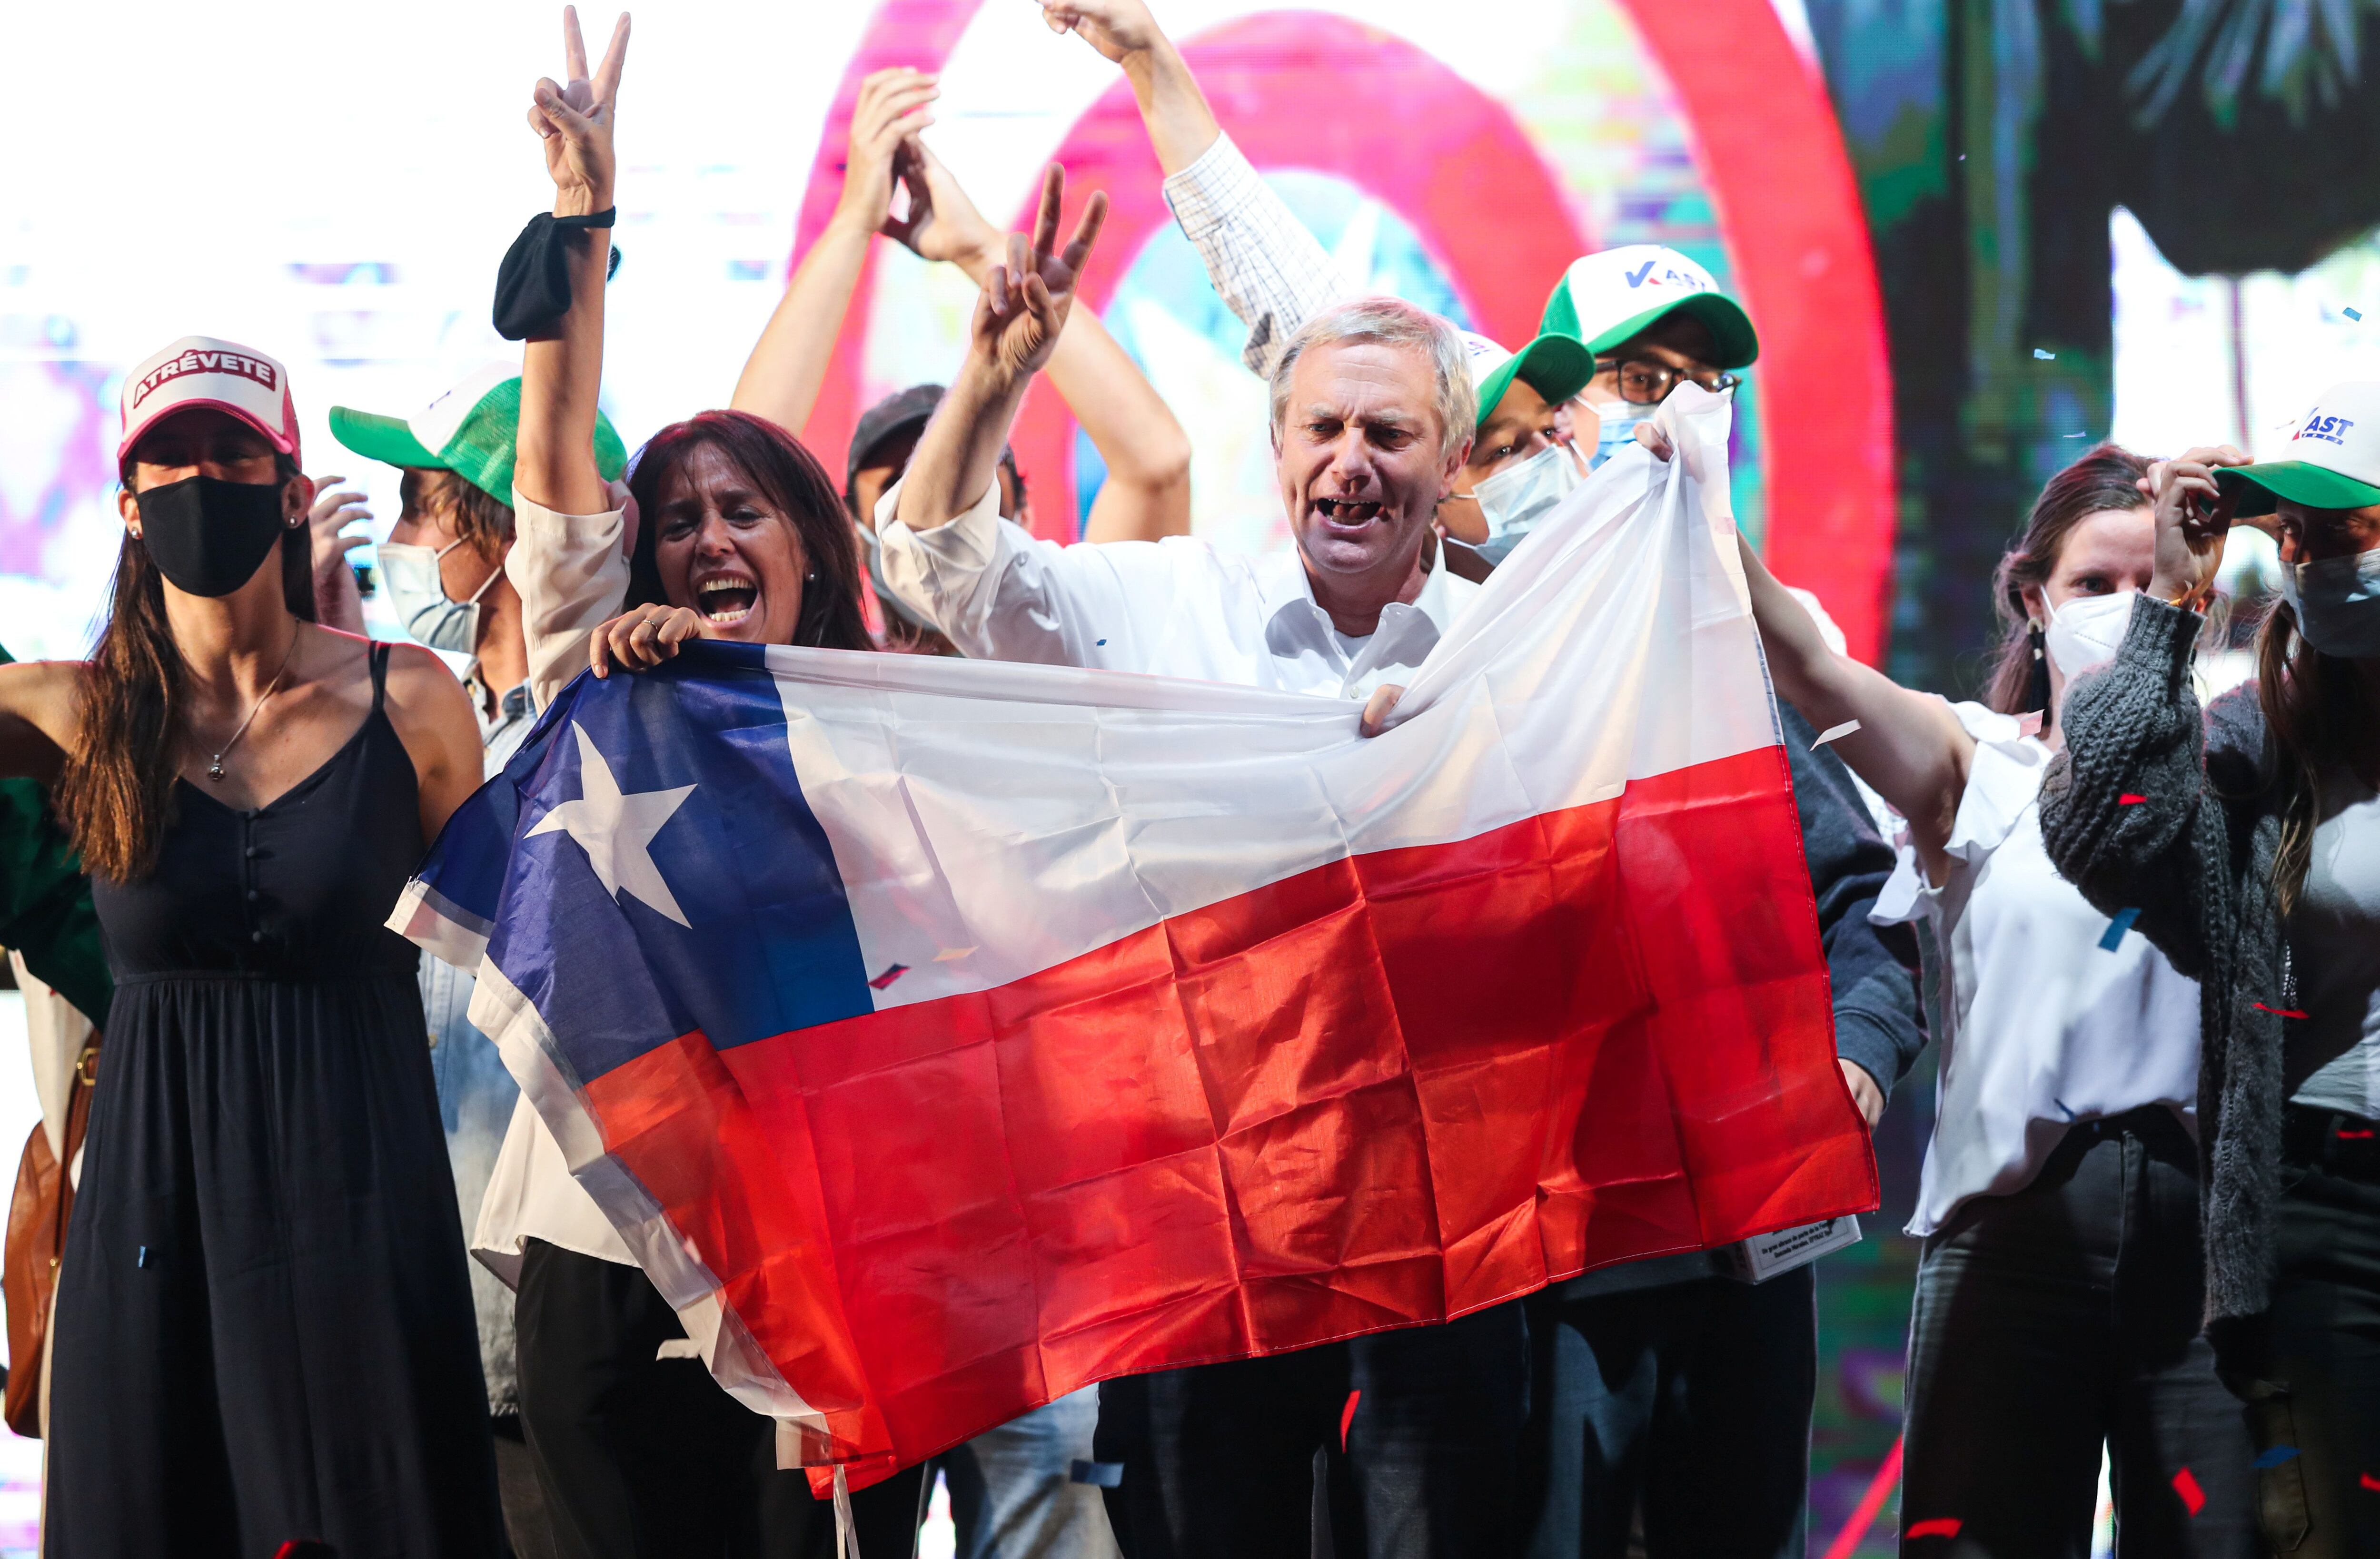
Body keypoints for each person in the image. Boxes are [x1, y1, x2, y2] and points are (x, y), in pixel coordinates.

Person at [1701, 432, 2256, 1553]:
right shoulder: (1972, 765)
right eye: (2093, 585)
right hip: (2012, 1239)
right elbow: (1814, 669)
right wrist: (1701, 523)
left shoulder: (2237, 772)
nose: (2122, 607)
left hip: (2198, 1245)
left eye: (2151, 584)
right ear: (2034, 604)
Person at [0, 334, 498, 1551]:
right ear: (125, 508)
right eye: (167, 465)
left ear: (287, 486)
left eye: (232, 453)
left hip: (364, 1205)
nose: (199, 483)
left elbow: (527, 940)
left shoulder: (412, 700)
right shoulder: (79, 710)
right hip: (153, 1219)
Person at [2039, 384, 2380, 1559]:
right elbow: (2097, 831)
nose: (2316, 557)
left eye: (2349, 527)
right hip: (2326, 1211)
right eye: (2294, 533)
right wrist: (2173, 604)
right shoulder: (2255, 741)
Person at [326, 362, 632, 1559]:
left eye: (419, 508)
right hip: (407, 1325)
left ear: (499, 528)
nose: (397, 542)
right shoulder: (403, 717)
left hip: (556, 1339)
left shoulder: (603, 726)